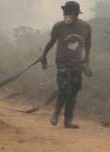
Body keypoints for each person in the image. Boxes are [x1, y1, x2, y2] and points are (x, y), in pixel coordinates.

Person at [40, 1, 92, 129]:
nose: (66, 15)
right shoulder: (58, 26)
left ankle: (68, 120)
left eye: (69, 13)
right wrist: (44, 55)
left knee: (74, 91)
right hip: (62, 61)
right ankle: (56, 114)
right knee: (64, 89)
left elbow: (88, 44)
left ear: (76, 14)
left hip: (77, 62)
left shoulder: (86, 27)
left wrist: (86, 59)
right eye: (65, 12)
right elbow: (51, 42)